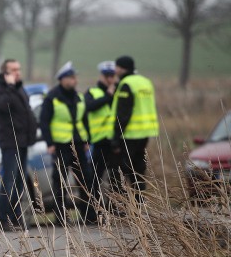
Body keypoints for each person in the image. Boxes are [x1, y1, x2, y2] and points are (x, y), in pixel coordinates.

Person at [40, 62, 94, 225]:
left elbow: (84, 120)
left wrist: (87, 140)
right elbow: (44, 121)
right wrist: (49, 143)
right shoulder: (52, 97)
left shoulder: (78, 97)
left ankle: (89, 216)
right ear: (62, 79)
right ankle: (61, 218)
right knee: (60, 182)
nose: (75, 80)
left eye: (75, 77)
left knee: (85, 179)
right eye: (71, 78)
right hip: (60, 145)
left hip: (78, 143)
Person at [0, 59, 38, 230]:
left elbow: (26, 112)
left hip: (23, 141)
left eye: (19, 69)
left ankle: (16, 218)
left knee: (19, 182)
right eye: (13, 70)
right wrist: (10, 87)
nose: (18, 72)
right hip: (10, 142)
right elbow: (4, 106)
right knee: (8, 181)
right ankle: (2, 220)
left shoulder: (19, 88)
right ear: (5, 73)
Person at [107, 55, 159, 202]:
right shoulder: (145, 82)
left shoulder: (126, 84)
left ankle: (122, 206)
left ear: (121, 68)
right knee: (139, 168)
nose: (115, 70)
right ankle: (139, 202)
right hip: (145, 132)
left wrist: (116, 139)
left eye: (116, 67)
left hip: (129, 134)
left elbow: (123, 114)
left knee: (120, 170)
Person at [85, 61, 117, 205]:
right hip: (99, 141)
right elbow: (89, 107)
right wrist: (107, 96)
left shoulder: (119, 92)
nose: (110, 79)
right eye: (107, 76)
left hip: (116, 141)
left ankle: (116, 209)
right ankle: (97, 209)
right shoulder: (92, 92)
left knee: (116, 177)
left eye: (112, 76)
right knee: (95, 177)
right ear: (101, 76)